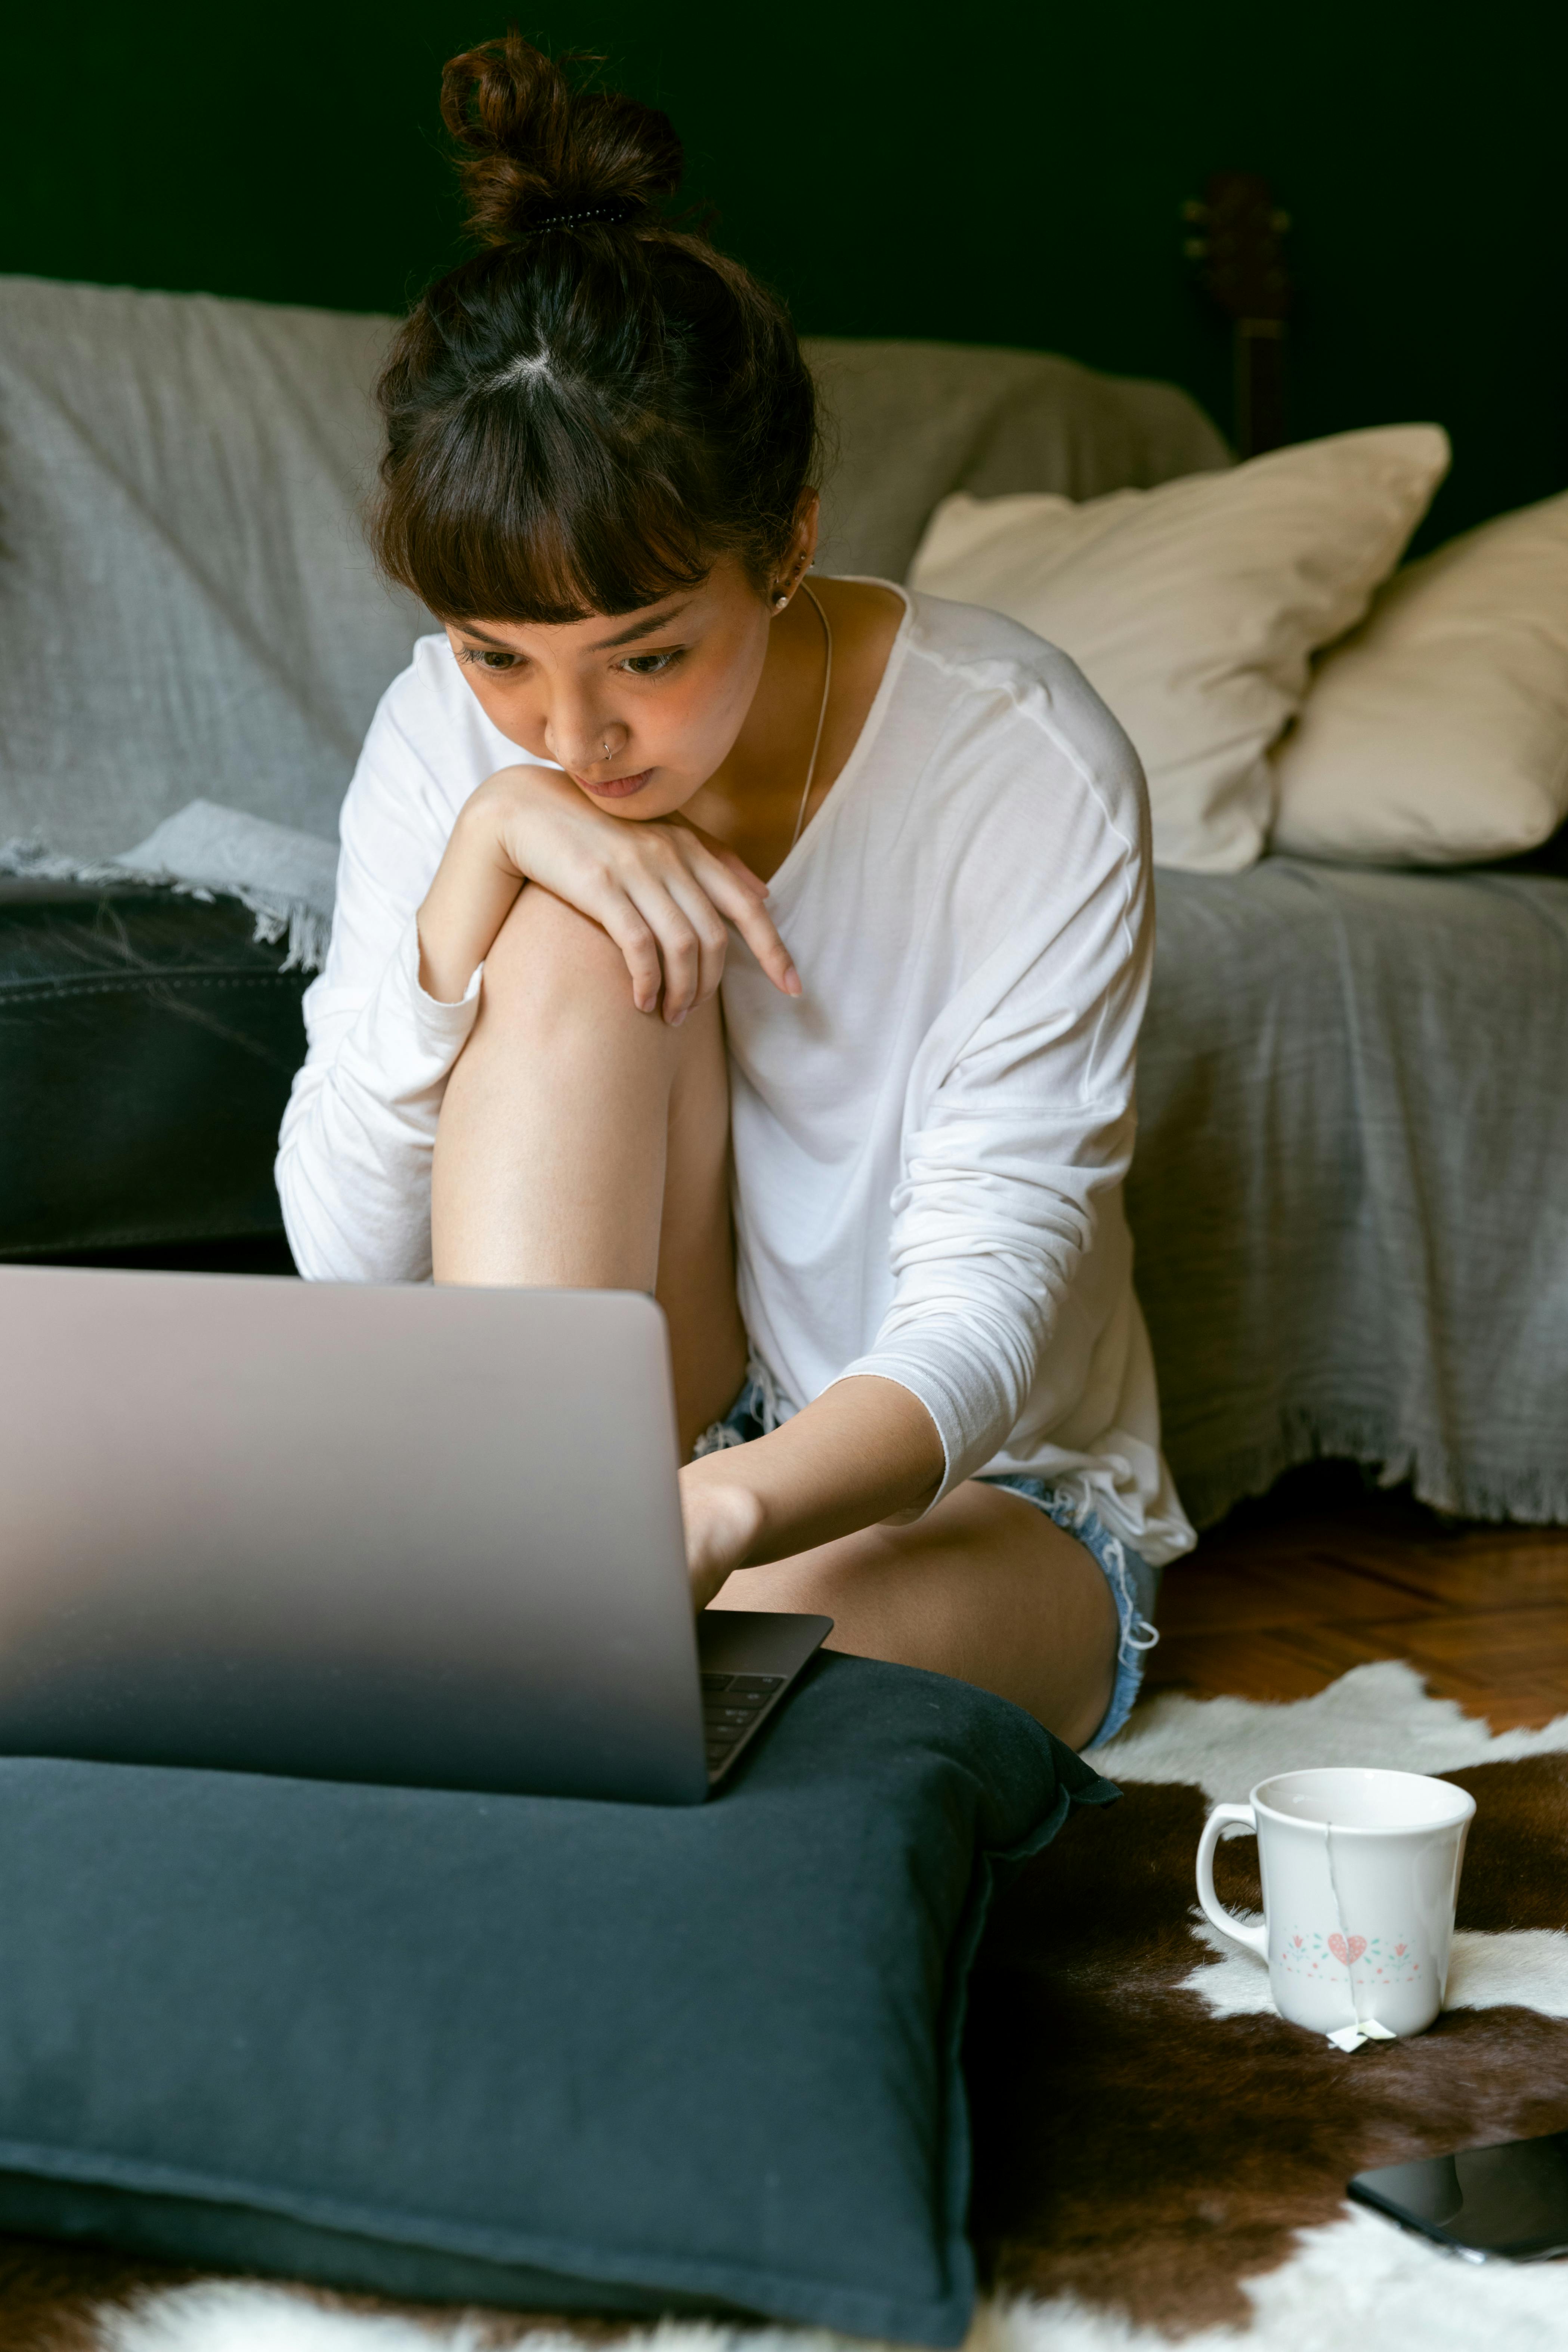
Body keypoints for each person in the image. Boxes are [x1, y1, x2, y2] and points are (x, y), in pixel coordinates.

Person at [277, 31, 1194, 1752]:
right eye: (499, 656)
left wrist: (709, 1521)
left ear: (785, 546)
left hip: (977, 1493)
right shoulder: (449, 738)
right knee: (554, 939)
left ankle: (532, 1621)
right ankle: (523, 1580)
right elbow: (347, 1263)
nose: (574, 733)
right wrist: (473, 883)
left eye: (647, 654)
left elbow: (982, 1327)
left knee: (682, 1686)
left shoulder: (1027, 763)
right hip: (626, 1448)